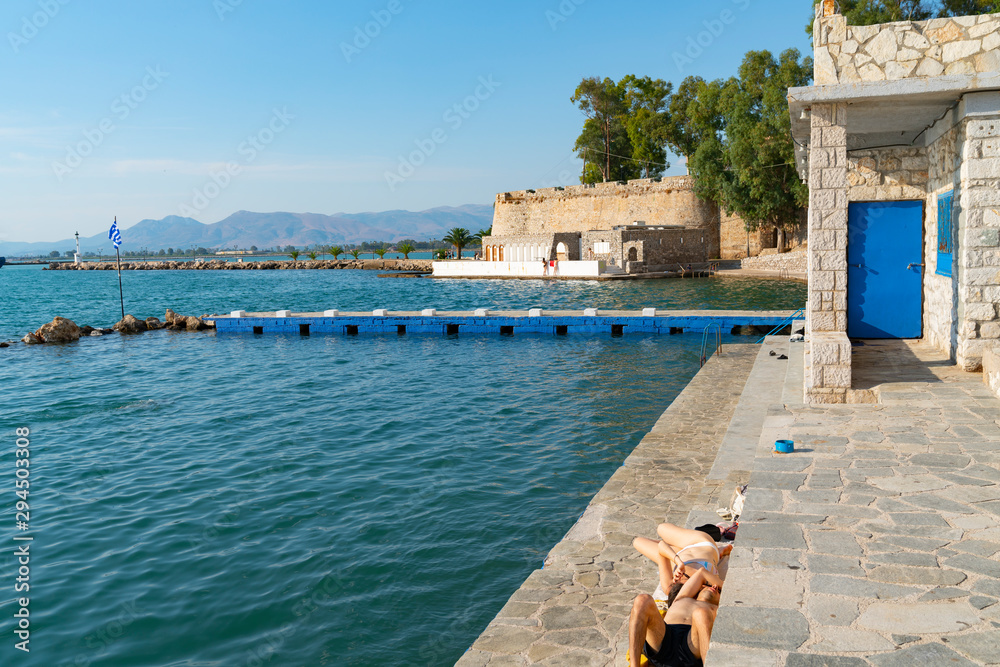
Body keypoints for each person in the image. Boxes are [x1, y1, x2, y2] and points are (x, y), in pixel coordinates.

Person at [628, 567, 721, 667]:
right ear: (700, 587)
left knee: (701, 613)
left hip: (692, 647)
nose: (715, 586)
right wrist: (718, 583)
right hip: (664, 639)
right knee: (642, 600)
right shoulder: (682, 597)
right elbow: (701, 572)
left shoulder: (718, 609)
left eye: (719, 590)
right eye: (710, 585)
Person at [633, 523, 732, 597]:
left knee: (637, 541)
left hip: (679, 555)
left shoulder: (670, 588)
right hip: (701, 544)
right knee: (661, 528)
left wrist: (677, 561)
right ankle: (718, 553)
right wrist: (679, 563)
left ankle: (675, 545)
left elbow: (661, 545)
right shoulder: (707, 584)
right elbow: (703, 573)